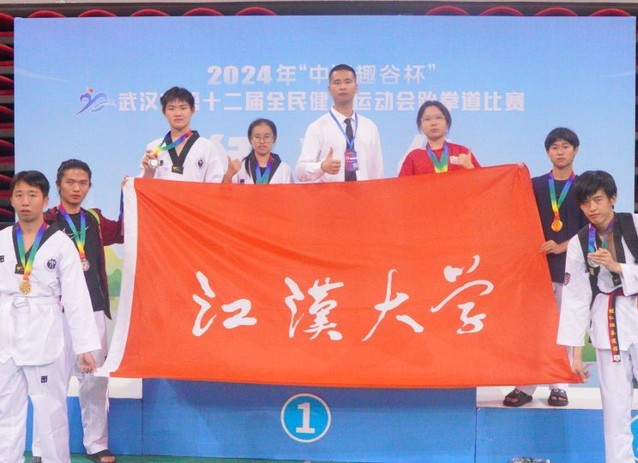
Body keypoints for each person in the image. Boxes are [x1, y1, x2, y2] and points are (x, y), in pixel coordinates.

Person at [0, 171, 99, 463]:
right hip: (6, 330)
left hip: (45, 331)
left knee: (50, 411)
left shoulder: (61, 243)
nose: (25, 202)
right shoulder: (2, 239)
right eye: (19, 195)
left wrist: (84, 347)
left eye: (32, 195)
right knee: (5, 410)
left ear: (45, 200)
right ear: (11, 200)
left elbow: (76, 296)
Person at [33, 160, 123, 463]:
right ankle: (43, 449)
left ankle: (96, 444)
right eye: (70, 182)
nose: (76, 188)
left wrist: (128, 195)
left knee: (95, 381)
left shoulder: (93, 219)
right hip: (55, 313)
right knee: (49, 381)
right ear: (58, 184)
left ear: (89, 186)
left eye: (82, 183)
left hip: (92, 312)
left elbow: (123, 231)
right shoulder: (45, 220)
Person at [557, 170, 638, 463]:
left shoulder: (635, 224)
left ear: (613, 198)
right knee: (614, 406)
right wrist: (576, 355)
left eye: (598, 199)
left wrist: (618, 267)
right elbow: (575, 298)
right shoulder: (580, 242)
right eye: (585, 202)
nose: (591, 208)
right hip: (608, 319)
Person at [504, 128, 586, 407]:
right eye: (554, 147)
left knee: (565, 326)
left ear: (575, 150)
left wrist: (562, 246)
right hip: (536, 268)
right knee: (533, 328)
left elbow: (591, 226)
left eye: (565, 146)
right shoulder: (535, 185)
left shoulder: (584, 187)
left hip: (570, 268)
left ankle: (559, 384)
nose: (560, 152)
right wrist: (512, 176)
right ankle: (525, 385)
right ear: (547, 152)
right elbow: (514, 210)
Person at [295, 64, 383, 182]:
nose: (342, 87)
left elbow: (377, 173)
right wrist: (322, 167)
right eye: (337, 83)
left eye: (347, 82)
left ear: (356, 88)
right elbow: (300, 172)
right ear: (329, 89)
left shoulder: (369, 127)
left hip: (363, 192)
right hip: (330, 193)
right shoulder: (317, 127)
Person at [139, 86, 224, 182]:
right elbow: (144, 186)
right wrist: (148, 171)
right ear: (164, 112)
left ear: (192, 110)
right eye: (171, 108)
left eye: (183, 108)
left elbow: (215, 185)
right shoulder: (154, 148)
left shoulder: (207, 147)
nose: (177, 113)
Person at [398, 100, 479, 176]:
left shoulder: (461, 152)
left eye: (438, 117)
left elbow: (482, 183)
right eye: (427, 119)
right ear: (420, 125)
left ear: (447, 122)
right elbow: (402, 185)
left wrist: (470, 168)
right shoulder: (414, 157)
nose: (433, 123)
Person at [223, 118, 293, 184]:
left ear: (274, 139)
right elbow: (227, 191)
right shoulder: (240, 167)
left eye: (266, 137)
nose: (262, 141)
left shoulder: (284, 169)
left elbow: (291, 192)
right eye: (257, 137)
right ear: (250, 139)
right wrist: (228, 175)